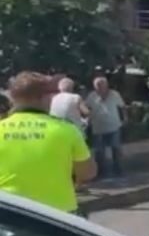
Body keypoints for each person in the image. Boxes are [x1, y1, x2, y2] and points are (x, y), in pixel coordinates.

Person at [0, 72, 97, 214]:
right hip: (58, 214)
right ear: (42, 97)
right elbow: (88, 172)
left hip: (11, 214)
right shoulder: (66, 129)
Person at [85, 76, 127, 179]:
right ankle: (101, 172)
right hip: (98, 127)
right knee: (99, 151)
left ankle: (118, 170)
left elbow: (122, 107)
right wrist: (87, 120)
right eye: (97, 86)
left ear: (106, 85)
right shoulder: (92, 96)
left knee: (116, 148)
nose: (99, 88)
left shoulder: (114, 94)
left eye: (101, 85)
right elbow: (87, 108)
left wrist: (125, 118)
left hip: (113, 126)